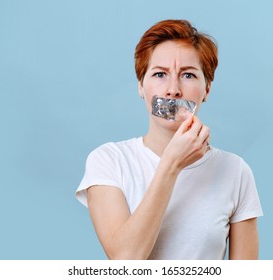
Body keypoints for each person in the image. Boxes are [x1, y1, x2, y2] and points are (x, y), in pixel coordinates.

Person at [76, 19, 263, 260]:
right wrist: (171, 164)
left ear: (206, 89)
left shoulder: (235, 171)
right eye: (160, 74)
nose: (173, 90)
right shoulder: (109, 161)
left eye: (187, 75)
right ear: (141, 87)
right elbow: (125, 261)